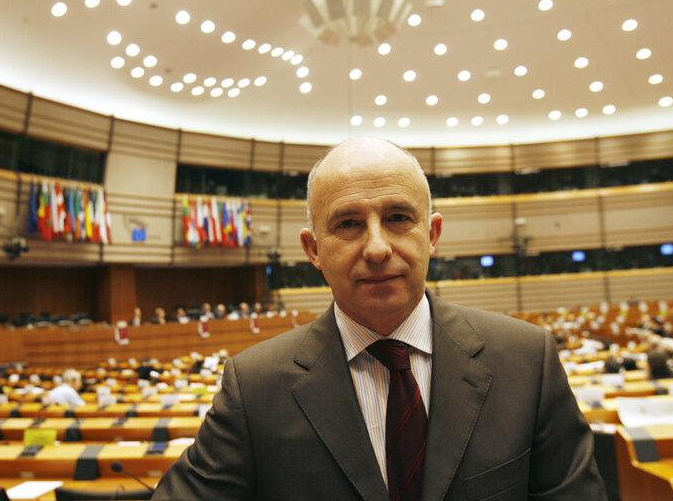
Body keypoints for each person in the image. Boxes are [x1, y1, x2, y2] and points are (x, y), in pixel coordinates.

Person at [152, 137, 607, 500]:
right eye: (348, 224)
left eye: (397, 218)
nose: (376, 248)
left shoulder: (528, 362)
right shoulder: (253, 387)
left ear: (431, 235)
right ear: (313, 249)